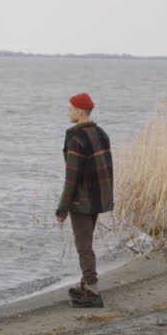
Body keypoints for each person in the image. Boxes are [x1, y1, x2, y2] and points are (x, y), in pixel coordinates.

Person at [55, 92, 114, 308]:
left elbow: (72, 176)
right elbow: (107, 169)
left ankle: (93, 291)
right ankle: (86, 286)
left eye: (70, 109)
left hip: (82, 200)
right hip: (98, 197)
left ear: (79, 112)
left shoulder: (75, 137)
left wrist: (62, 208)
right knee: (86, 242)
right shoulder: (101, 133)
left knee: (83, 246)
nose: (68, 112)